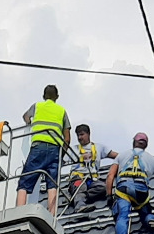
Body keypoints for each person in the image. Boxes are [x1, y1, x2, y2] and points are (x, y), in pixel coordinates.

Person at [14, 83, 71, 215]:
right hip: (54, 149)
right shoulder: (62, 111)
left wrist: (30, 122)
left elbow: (25, 117)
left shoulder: (37, 106)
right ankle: (52, 215)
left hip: (38, 147)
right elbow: (67, 138)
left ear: (43, 96)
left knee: (25, 181)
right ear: (57, 97)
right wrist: (61, 155)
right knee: (52, 183)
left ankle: (19, 212)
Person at [63, 123, 117, 210]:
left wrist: (129, 158)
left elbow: (115, 155)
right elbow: (61, 162)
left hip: (92, 179)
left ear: (88, 134)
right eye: (78, 135)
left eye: (82, 134)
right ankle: (80, 206)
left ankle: (78, 198)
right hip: (77, 178)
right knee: (80, 187)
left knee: (103, 188)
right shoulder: (73, 150)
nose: (80, 138)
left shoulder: (99, 147)